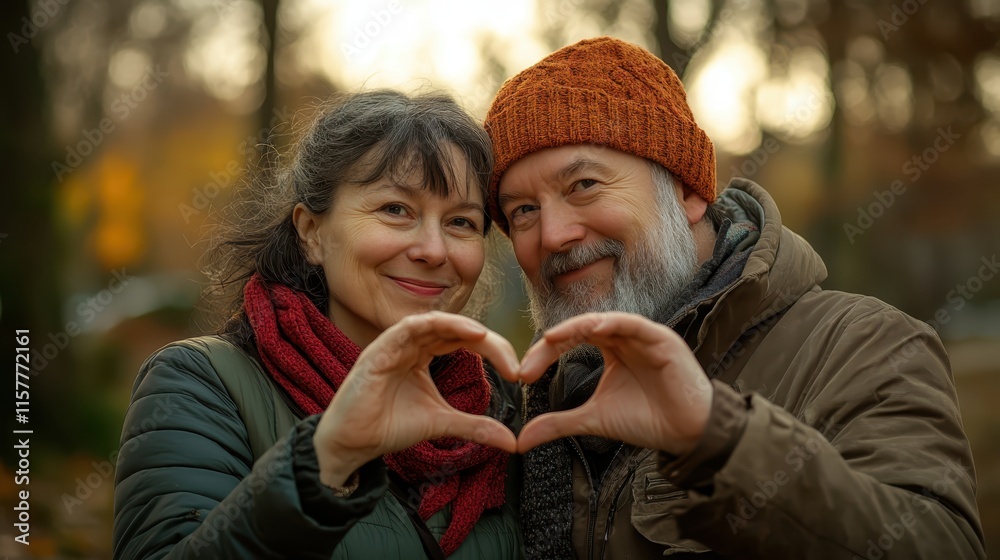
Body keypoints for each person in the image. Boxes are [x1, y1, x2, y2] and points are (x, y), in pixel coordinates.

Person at [483, 37, 985, 559]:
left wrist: (715, 441)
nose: (553, 235)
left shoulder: (862, 345)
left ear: (688, 191)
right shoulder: (521, 409)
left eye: (584, 184)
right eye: (522, 211)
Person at [113, 90, 525, 559]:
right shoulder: (198, 385)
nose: (433, 249)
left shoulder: (502, 406)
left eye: (461, 223)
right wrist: (329, 458)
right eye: (395, 210)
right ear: (311, 232)